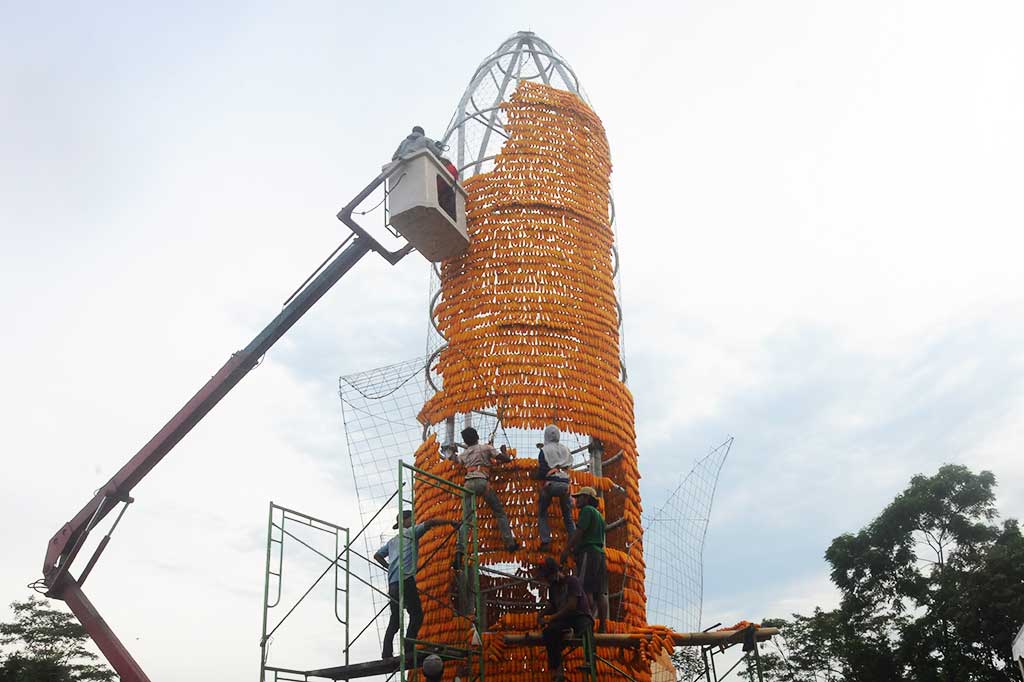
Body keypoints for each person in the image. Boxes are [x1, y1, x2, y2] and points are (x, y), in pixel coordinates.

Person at [374, 510, 459, 660]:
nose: (413, 522)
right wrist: (450, 522)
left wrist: (389, 568)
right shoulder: (411, 533)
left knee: (395, 619)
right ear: (405, 521)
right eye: (411, 520)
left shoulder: (392, 541)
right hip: (406, 580)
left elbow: (377, 555)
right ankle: (408, 647)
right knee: (417, 614)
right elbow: (431, 522)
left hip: (393, 583)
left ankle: (386, 652)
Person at [455, 427, 519, 552]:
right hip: (482, 483)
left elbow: (456, 460)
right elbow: (506, 459)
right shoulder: (486, 448)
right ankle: (509, 543)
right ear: (477, 436)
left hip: (467, 484)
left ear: (465, 442)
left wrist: (452, 454)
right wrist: (504, 452)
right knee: (499, 512)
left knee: (466, 519)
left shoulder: (464, 453)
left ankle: (460, 549)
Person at [536, 556, 593, 682]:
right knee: (549, 632)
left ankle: (589, 660)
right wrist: (541, 614)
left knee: (586, 627)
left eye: (547, 576)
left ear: (555, 572)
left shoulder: (572, 581)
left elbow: (571, 606)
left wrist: (551, 618)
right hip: (564, 619)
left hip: (579, 615)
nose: (546, 579)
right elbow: (552, 605)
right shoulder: (552, 587)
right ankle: (557, 671)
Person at [560, 487, 608, 632]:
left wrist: (567, 550)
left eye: (579, 497)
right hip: (600, 554)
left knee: (586, 589)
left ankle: (588, 624)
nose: (576, 500)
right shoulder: (600, 516)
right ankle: (603, 627)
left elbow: (578, 532)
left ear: (587, 498)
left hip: (589, 553)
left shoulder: (586, 511)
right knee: (601, 592)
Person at [537, 425, 576, 552]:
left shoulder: (544, 450)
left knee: (542, 512)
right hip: (565, 484)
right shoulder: (566, 449)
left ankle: (546, 541)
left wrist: (538, 476)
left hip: (551, 484)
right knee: (567, 514)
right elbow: (569, 465)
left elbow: (542, 471)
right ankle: (574, 541)